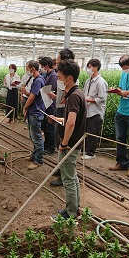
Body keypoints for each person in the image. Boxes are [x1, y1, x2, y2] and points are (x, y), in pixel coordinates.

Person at [50, 59, 87, 220]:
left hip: (70, 145)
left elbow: (71, 123)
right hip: (74, 143)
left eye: (59, 77)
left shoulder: (73, 97)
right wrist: (57, 119)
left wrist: (64, 144)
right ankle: (75, 208)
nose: (58, 79)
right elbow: (70, 121)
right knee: (72, 176)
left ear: (69, 78)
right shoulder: (77, 93)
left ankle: (71, 213)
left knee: (68, 178)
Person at [49, 48, 75, 187]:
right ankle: (60, 169)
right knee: (58, 138)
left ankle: (64, 175)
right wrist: (57, 97)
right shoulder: (62, 75)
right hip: (59, 109)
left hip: (64, 110)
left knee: (63, 141)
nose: (56, 61)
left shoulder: (68, 77)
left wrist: (65, 98)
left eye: (58, 59)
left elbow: (68, 93)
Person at [82, 59, 108, 159]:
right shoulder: (88, 81)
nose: (88, 69)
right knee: (86, 131)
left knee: (92, 132)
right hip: (87, 110)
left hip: (95, 111)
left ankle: (90, 153)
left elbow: (102, 99)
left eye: (89, 67)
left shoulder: (101, 82)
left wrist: (89, 99)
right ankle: (85, 150)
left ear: (96, 68)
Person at [23, 60, 45, 170]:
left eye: (27, 69)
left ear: (32, 69)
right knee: (33, 136)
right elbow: (33, 95)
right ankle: (34, 156)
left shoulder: (38, 80)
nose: (27, 71)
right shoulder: (37, 79)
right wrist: (25, 92)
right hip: (34, 111)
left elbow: (32, 98)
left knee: (37, 137)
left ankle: (39, 160)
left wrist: (25, 107)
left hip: (35, 112)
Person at [40, 56, 57, 154]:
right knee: (45, 127)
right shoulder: (48, 75)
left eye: (42, 66)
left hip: (50, 105)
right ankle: (46, 146)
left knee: (50, 127)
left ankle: (51, 147)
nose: (41, 68)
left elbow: (51, 89)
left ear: (46, 66)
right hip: (46, 105)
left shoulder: (53, 76)